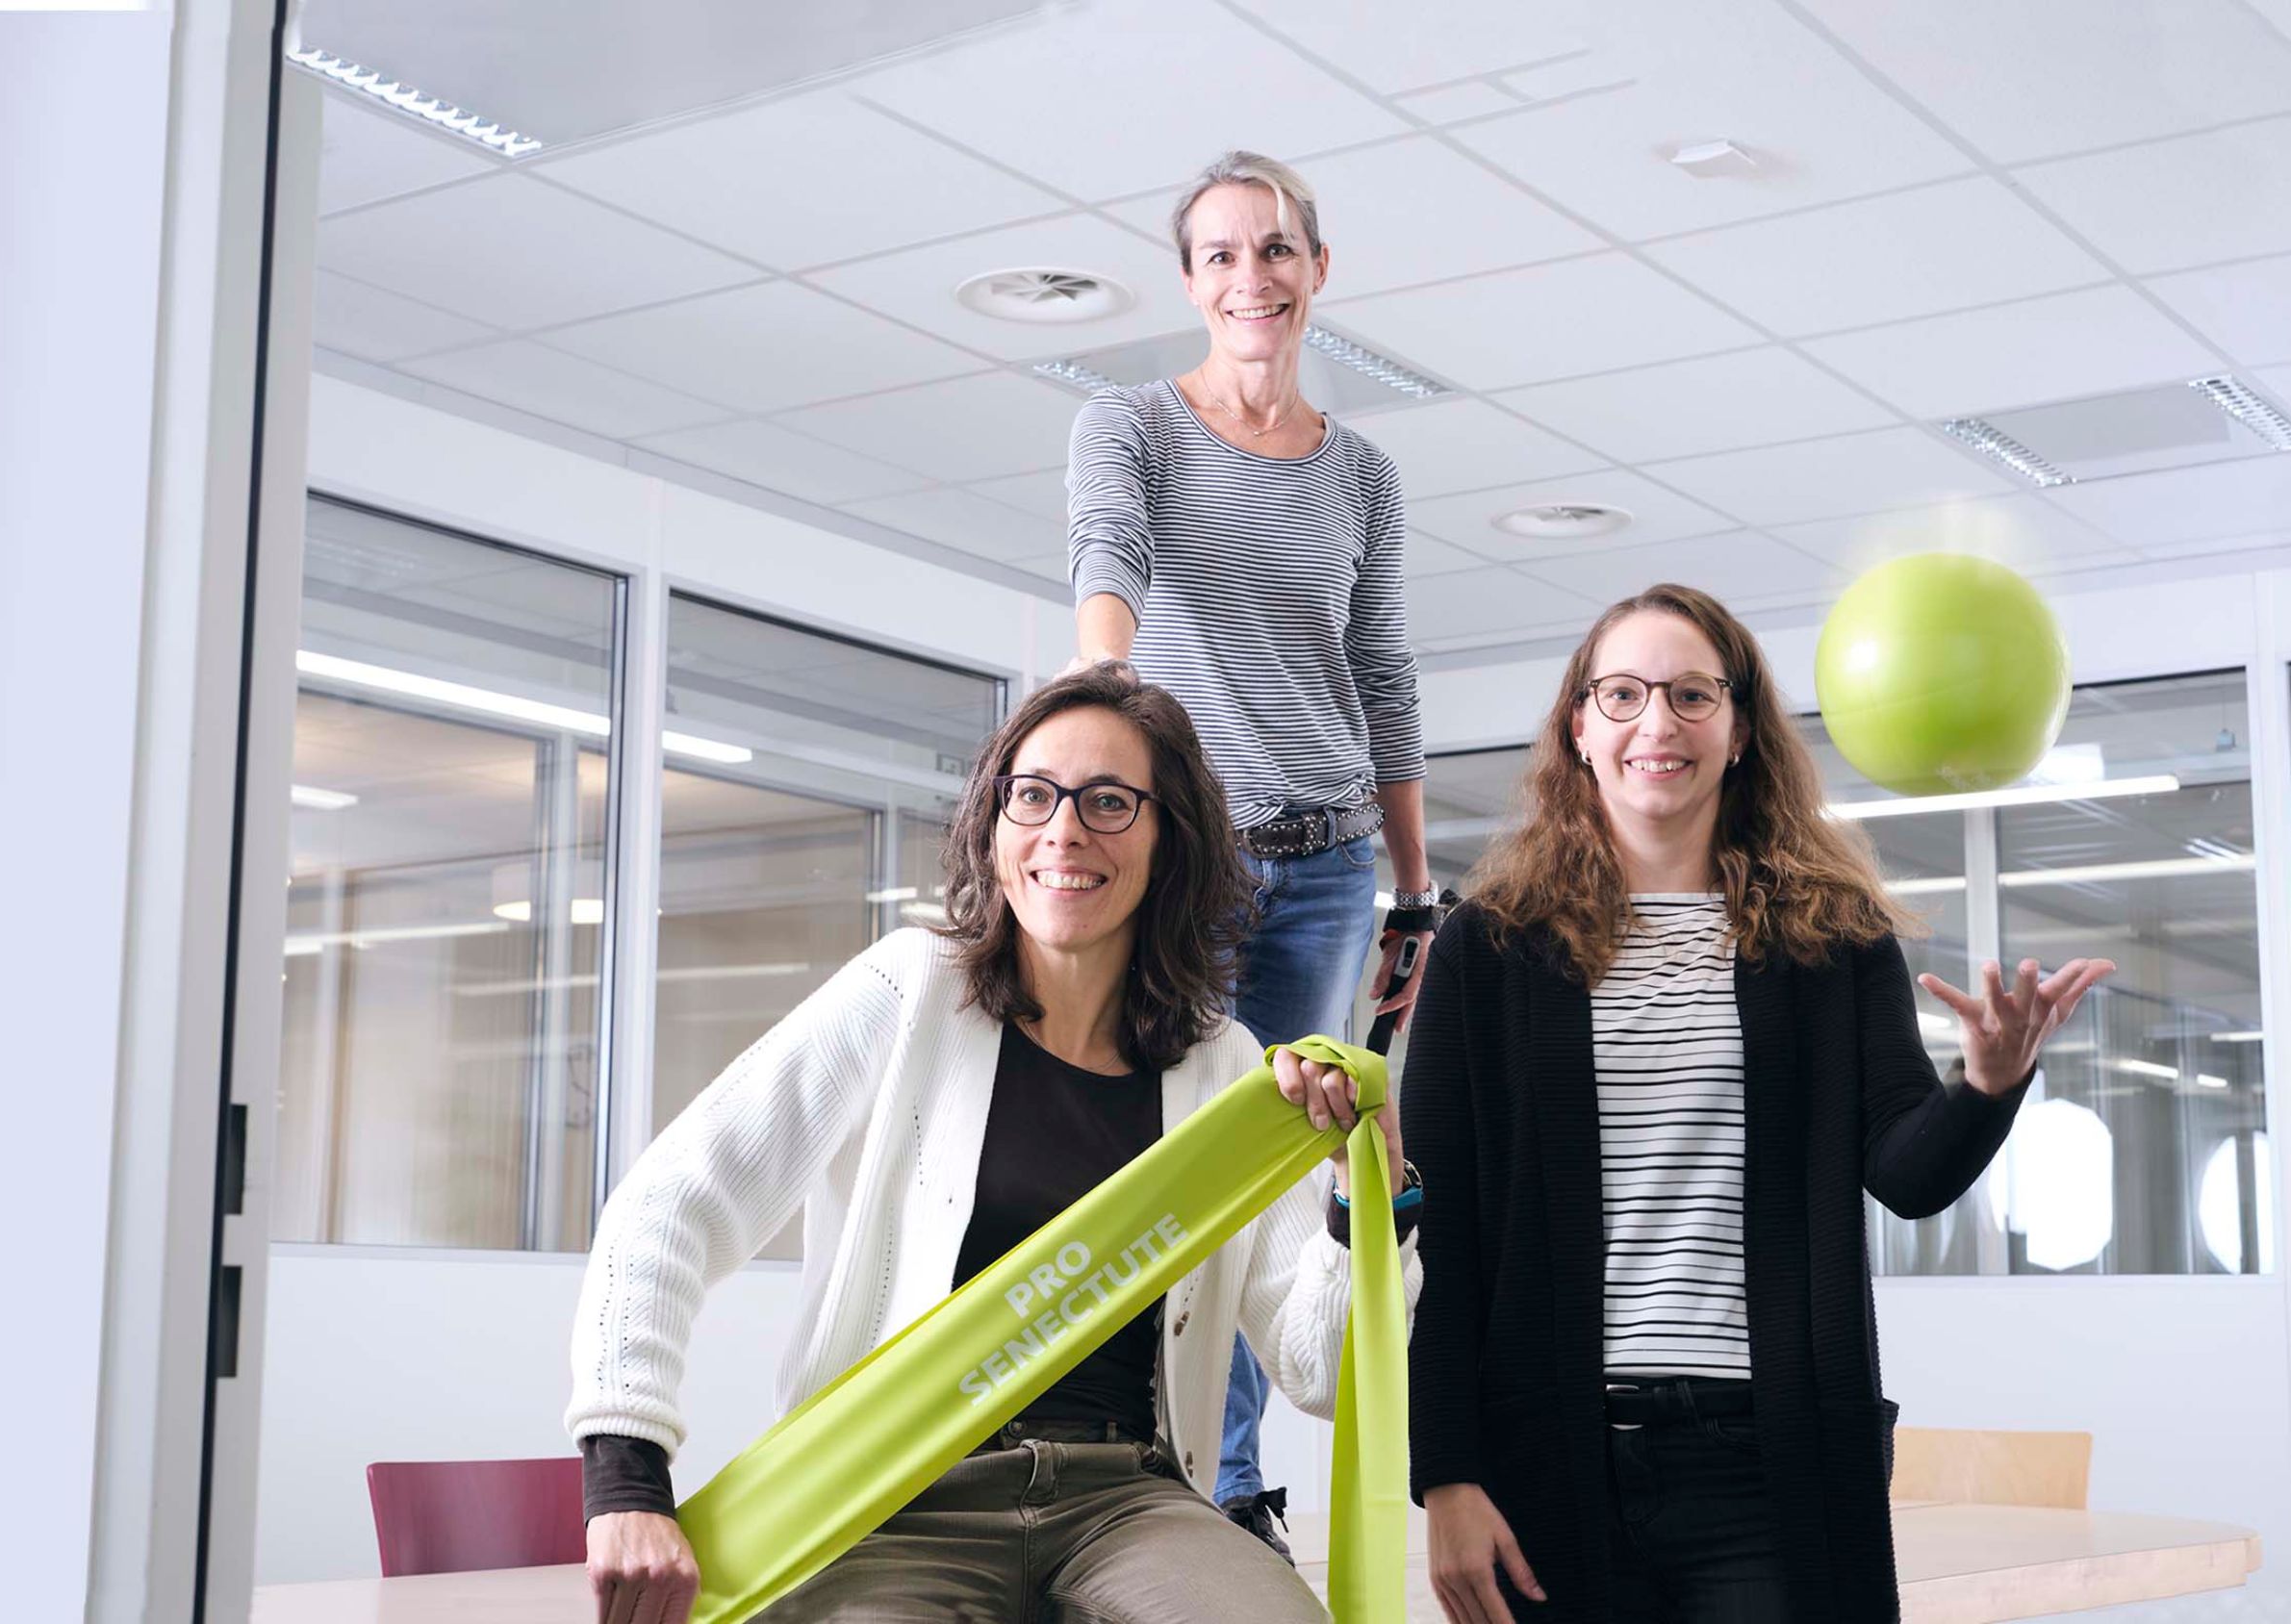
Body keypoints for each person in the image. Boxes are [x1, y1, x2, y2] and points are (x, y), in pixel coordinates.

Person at [573, 664, 1417, 1624]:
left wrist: (1367, 1206)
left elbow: (1320, 1373)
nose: (1063, 830)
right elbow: (671, 1200)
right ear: (994, 821)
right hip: (892, 1500)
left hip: (1126, 1499)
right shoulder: (908, 992)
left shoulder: (1222, 1062)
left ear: (1167, 838)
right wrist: (626, 1473)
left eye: (1108, 801)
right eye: (1033, 795)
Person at [1401, 584, 2114, 1623]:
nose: (1659, 722)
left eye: (1694, 693)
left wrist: (1989, 1084)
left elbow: (1906, 1172)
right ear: (1580, 728)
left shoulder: (1830, 937)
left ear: (1739, 730)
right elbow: (1444, 1236)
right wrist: (1446, 1475)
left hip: (1769, 1465)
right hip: (1546, 1458)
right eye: (1625, 693)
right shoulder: (1492, 946)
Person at [1065, 148, 1438, 1555]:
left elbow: (1381, 667)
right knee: (1174, 1159)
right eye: (1219, 255)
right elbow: (1110, 561)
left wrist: (1412, 887)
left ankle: (1226, 1494)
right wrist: (1107, 711)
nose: (1250, 278)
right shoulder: (1131, 427)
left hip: (1335, 863)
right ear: (1189, 282)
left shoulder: (1365, 474)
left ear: (1317, 270)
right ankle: (1171, 1478)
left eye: (1275, 250)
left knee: (1277, 1172)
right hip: (1192, 858)